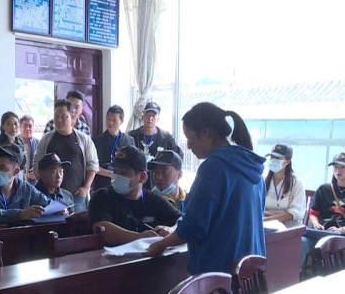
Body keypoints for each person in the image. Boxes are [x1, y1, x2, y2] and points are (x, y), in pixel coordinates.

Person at [147, 102, 266, 275]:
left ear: (206, 133)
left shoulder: (214, 167)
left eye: (189, 137)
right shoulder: (251, 166)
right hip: (251, 272)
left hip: (219, 273)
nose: (188, 145)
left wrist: (161, 244)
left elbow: (194, 226)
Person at [89, 146, 181, 246]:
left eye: (124, 173)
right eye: (115, 172)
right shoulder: (102, 196)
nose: (117, 177)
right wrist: (139, 237)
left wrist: (171, 229)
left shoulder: (152, 198)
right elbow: (102, 228)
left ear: (142, 177)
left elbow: (181, 219)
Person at [34, 99, 98, 213]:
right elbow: (37, 163)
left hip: (77, 196)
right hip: (50, 196)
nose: (59, 120)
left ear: (72, 117)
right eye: (56, 116)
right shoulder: (46, 139)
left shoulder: (84, 139)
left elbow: (92, 164)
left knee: (77, 223)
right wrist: (44, 186)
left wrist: (85, 188)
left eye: (64, 117)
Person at [0, 143, 50, 225]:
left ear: (16, 171)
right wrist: (20, 214)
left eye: (2, 167)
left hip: (20, 233)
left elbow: (48, 204)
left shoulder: (26, 188)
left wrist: (58, 210)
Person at [301, 153, 345, 267]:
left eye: (342, 167)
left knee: (333, 245)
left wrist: (341, 230)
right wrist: (316, 224)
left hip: (341, 235)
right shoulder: (324, 189)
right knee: (302, 241)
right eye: (335, 167)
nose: (338, 170)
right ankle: (296, 274)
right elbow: (313, 213)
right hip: (322, 232)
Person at [93, 105, 136, 190]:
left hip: (123, 184)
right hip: (102, 184)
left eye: (114, 120)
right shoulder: (96, 140)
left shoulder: (129, 140)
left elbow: (132, 165)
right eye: (108, 119)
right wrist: (111, 174)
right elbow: (93, 165)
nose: (110, 123)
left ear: (121, 121)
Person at [263, 144, 305, 227]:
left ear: (287, 161)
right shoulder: (263, 181)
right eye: (272, 157)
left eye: (278, 158)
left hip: (290, 228)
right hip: (266, 226)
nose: (273, 160)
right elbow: (258, 209)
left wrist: (266, 219)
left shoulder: (296, 183)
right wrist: (281, 214)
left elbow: (294, 214)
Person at [19, 114, 39, 183]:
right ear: (20, 127)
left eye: (30, 126)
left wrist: (37, 171)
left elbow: (43, 162)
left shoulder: (39, 143)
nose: (27, 129)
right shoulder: (14, 143)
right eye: (25, 126)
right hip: (16, 181)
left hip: (33, 183)